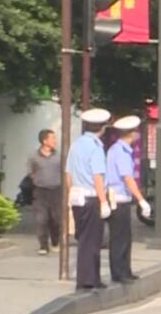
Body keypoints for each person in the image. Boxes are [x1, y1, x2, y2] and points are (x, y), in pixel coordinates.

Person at [66, 108, 111, 291]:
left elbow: (68, 173)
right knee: (92, 240)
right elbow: (97, 176)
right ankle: (89, 279)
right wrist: (104, 201)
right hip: (92, 197)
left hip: (77, 196)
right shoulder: (95, 147)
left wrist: (71, 192)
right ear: (102, 127)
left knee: (83, 237)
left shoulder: (75, 145)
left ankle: (88, 278)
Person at [105, 116, 152, 284]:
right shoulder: (121, 152)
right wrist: (141, 199)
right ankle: (119, 272)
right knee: (119, 237)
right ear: (131, 133)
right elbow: (127, 178)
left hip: (120, 198)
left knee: (124, 236)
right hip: (118, 198)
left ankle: (125, 270)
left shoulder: (118, 150)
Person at [28, 129, 63, 256]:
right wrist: (37, 180)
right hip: (40, 191)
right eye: (52, 138)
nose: (55, 141)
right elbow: (31, 172)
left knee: (56, 218)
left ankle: (55, 242)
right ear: (44, 141)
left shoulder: (59, 156)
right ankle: (43, 245)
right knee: (41, 219)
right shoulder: (34, 156)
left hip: (56, 190)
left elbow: (65, 172)